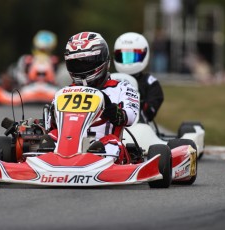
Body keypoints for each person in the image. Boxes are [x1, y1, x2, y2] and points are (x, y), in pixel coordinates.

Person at [44, 32, 139, 163]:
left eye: (86, 63)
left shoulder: (122, 88)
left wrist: (114, 111)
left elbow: (131, 116)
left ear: (103, 60)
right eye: (76, 64)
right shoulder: (65, 92)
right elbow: (51, 126)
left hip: (103, 145)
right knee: (48, 139)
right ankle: (46, 162)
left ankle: (97, 163)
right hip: (66, 145)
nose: (81, 68)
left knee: (110, 144)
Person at [113, 32, 164, 123]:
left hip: (140, 127)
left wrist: (139, 101)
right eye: (124, 57)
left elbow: (150, 113)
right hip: (112, 125)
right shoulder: (110, 80)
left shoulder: (150, 83)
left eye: (133, 56)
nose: (127, 62)